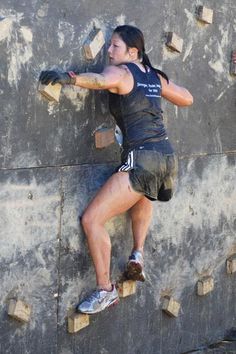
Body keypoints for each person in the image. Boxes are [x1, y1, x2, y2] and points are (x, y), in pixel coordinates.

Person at [40, 25, 193, 315]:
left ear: (132, 51)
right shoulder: (153, 75)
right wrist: (159, 85)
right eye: (109, 46)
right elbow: (187, 98)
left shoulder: (121, 73)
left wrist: (69, 78)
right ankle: (137, 254)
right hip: (166, 158)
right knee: (142, 194)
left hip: (142, 158)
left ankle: (105, 290)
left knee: (92, 219)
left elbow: (98, 80)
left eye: (115, 46)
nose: (109, 52)